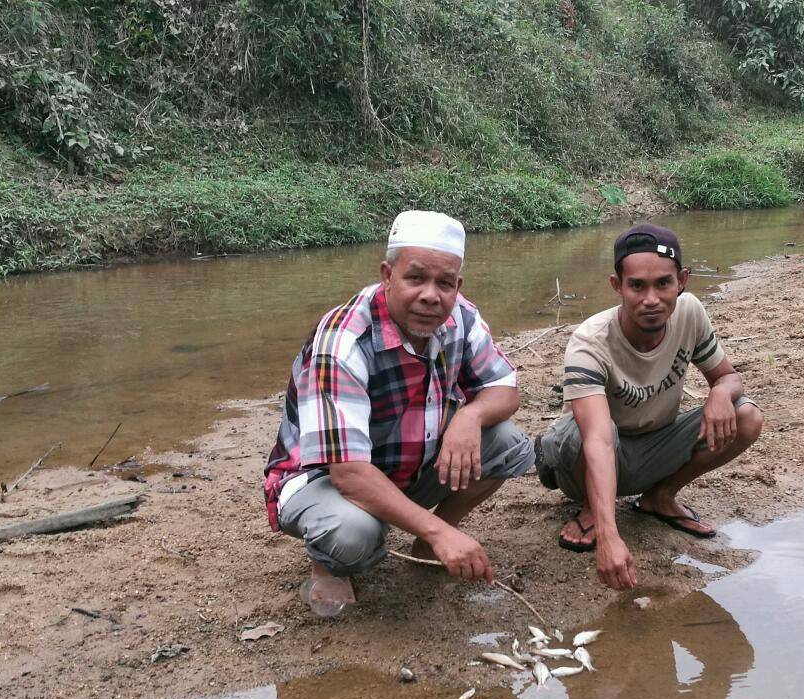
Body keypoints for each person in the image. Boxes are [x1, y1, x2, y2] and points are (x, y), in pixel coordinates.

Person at [263, 210, 534, 617]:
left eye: (444, 283)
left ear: (457, 285)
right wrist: (441, 531)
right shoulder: (344, 339)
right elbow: (348, 474)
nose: (430, 295)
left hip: (402, 464)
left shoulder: (460, 315)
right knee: (353, 534)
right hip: (323, 479)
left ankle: (426, 544)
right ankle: (327, 562)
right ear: (387, 274)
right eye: (415, 278)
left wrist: (469, 418)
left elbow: (504, 388)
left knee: (508, 444)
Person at [534, 223, 763, 590]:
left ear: (682, 280)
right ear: (617, 286)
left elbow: (728, 376)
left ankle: (659, 497)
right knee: (586, 430)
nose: (651, 299)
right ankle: (593, 508)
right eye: (637, 286)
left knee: (746, 415)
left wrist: (719, 392)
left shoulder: (689, 313)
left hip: (656, 444)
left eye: (663, 284)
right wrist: (610, 535)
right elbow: (597, 440)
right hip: (590, 459)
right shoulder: (590, 342)